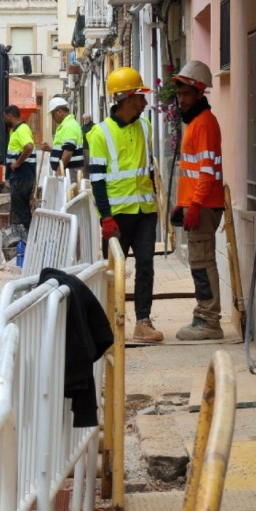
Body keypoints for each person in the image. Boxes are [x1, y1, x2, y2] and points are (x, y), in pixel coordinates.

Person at [87, 67, 162, 342]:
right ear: (127, 98)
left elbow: (148, 170)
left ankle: (143, 321)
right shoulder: (100, 134)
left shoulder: (145, 126)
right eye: (140, 96)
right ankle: (109, 323)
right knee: (113, 271)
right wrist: (105, 217)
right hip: (117, 216)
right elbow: (96, 180)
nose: (144, 102)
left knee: (145, 265)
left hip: (145, 212)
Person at [169, 60, 226, 341]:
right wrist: (183, 202)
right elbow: (194, 172)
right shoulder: (196, 123)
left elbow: (207, 170)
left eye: (186, 94)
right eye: (179, 95)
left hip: (202, 207)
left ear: (200, 93)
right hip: (198, 204)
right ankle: (204, 314)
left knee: (203, 263)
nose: (181, 99)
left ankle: (209, 319)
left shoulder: (204, 124)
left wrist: (194, 204)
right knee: (199, 262)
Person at [5, 105, 36, 235]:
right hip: (20, 177)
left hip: (21, 177)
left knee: (22, 212)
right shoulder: (17, 130)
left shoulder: (21, 129)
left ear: (10, 116)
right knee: (22, 210)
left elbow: (28, 146)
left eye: (5, 117)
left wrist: (17, 163)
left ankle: (28, 239)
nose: (4, 120)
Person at [43, 97, 85, 176]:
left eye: (53, 114)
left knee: (70, 188)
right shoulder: (66, 125)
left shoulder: (69, 126)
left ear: (59, 112)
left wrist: (59, 170)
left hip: (70, 171)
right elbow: (64, 148)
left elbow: (68, 152)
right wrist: (51, 149)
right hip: (67, 170)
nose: (53, 118)